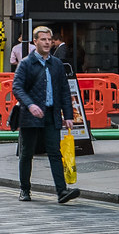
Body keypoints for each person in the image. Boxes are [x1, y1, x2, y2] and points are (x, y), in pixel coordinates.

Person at [12, 25, 80, 204]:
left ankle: (62, 191)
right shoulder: (26, 63)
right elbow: (17, 87)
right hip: (30, 115)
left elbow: (64, 90)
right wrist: (30, 104)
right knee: (27, 153)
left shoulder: (56, 63)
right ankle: (24, 190)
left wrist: (68, 115)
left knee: (55, 153)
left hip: (51, 114)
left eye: (49, 39)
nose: (48, 42)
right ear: (35, 42)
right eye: (43, 39)